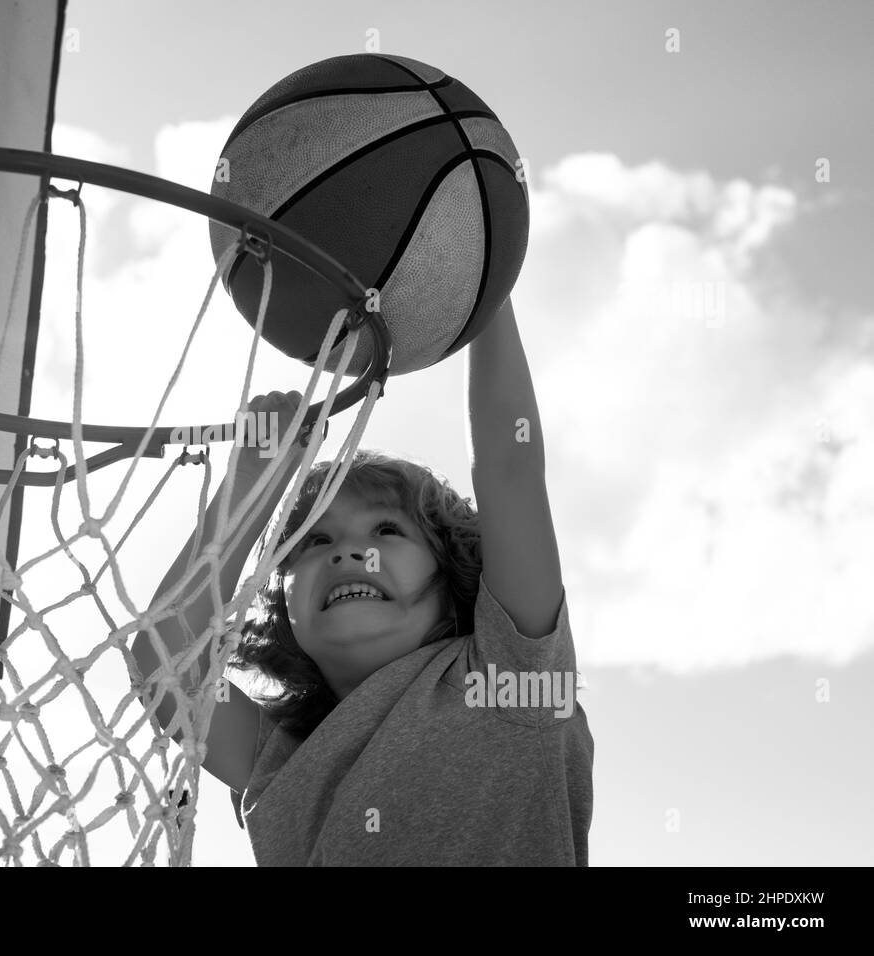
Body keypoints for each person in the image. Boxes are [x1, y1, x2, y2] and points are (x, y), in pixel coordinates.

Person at [131, 297, 593, 865]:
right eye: (316, 542)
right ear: (283, 611)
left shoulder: (507, 675)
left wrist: (486, 293)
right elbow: (166, 659)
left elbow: (510, 463)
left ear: (452, 578)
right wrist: (257, 479)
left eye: (386, 530)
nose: (351, 550)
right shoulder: (280, 756)